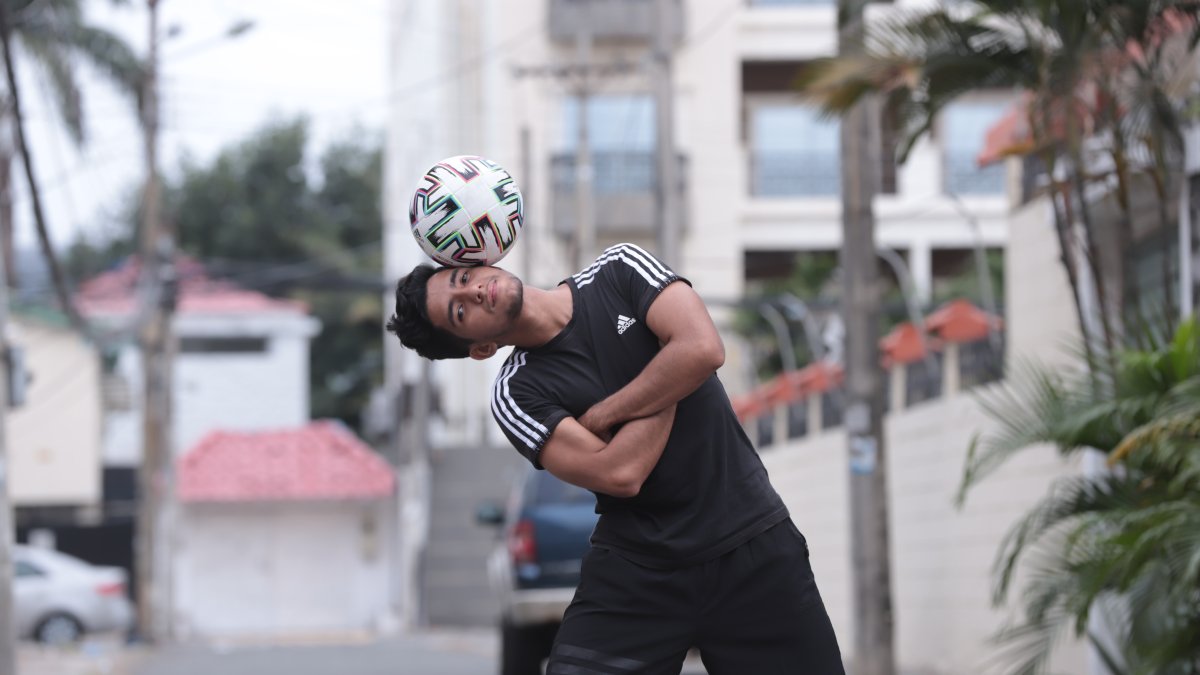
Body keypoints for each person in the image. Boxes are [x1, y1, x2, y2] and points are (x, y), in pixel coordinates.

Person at [387, 242, 843, 674]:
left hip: (752, 544)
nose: (473, 290)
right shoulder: (516, 393)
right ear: (480, 348)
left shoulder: (619, 269)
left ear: (486, 263)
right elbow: (622, 472)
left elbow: (704, 350)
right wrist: (668, 358)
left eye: (464, 277)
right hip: (638, 572)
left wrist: (610, 411)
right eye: (460, 310)